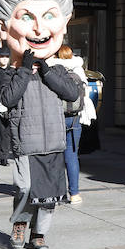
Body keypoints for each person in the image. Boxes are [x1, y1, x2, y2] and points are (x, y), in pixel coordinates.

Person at [0, 0, 79, 249]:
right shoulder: (10, 73)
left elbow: (72, 95)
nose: (40, 28)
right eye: (27, 17)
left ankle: (38, 234)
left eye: (49, 16)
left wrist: (47, 70)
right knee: (26, 188)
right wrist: (24, 69)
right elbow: (5, 101)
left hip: (54, 142)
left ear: (64, 23)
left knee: (51, 194)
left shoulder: (58, 70)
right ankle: (19, 224)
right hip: (23, 143)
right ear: (2, 27)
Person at [48, 45, 91, 204]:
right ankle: (75, 194)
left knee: (55, 156)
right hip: (74, 119)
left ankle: (57, 193)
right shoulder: (79, 70)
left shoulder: (52, 69)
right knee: (72, 156)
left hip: (55, 118)